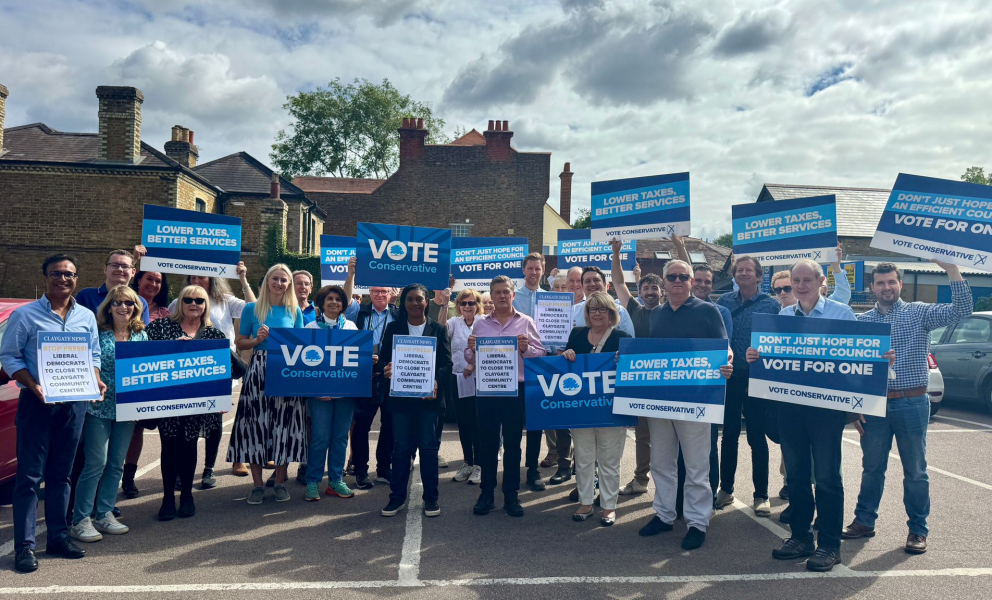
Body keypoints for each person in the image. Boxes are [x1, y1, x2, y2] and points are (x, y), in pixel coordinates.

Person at [844, 260, 972, 555]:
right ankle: (864, 521)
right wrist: (854, 408)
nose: (886, 287)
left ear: (899, 284)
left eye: (891, 282)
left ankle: (918, 530)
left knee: (915, 470)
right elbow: (848, 366)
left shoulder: (920, 313)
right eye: (880, 283)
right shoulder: (862, 323)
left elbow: (961, 310)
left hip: (913, 402)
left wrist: (951, 269)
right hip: (875, 406)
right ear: (872, 287)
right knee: (872, 468)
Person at [746, 260, 862, 572]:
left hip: (826, 411)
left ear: (821, 281)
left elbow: (859, 357)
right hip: (790, 409)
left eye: (806, 279)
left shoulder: (841, 313)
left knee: (826, 477)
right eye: (795, 280)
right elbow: (771, 360)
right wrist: (755, 356)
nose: (800, 285)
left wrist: (879, 360)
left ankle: (829, 546)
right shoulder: (783, 316)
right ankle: (800, 537)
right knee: (796, 476)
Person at [0, 254, 105, 573]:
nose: (63, 279)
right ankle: (24, 547)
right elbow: (9, 357)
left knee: (61, 475)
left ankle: (58, 537)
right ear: (45, 277)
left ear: (76, 278)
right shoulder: (25, 315)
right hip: (37, 404)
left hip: (74, 404)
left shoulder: (86, 316)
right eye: (56, 274)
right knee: (30, 478)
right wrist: (33, 386)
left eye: (69, 275)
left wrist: (96, 378)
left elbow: (94, 353)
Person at [125, 247, 257, 490]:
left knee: (213, 422)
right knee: (179, 430)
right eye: (192, 279)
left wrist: (243, 278)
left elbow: (255, 309)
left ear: (212, 279)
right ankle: (173, 479)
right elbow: (162, 335)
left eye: (202, 277)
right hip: (180, 375)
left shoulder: (225, 301)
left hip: (215, 371)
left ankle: (207, 469)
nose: (194, 300)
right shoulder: (175, 307)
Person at [638, 260, 732, 551]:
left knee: (696, 466)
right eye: (672, 277)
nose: (677, 281)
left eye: (683, 276)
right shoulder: (655, 315)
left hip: (696, 400)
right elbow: (649, 354)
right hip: (661, 401)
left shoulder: (708, 310)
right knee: (661, 462)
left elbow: (723, 347)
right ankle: (665, 514)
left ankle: (697, 522)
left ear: (692, 281)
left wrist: (727, 361)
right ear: (664, 282)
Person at [69, 286, 147, 543]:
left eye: (129, 303)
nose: (123, 307)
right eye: (117, 303)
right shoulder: (98, 334)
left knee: (115, 464)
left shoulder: (141, 336)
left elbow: (151, 367)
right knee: (95, 464)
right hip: (98, 409)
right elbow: (87, 363)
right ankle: (80, 519)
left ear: (136, 307)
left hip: (127, 410)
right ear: (108, 307)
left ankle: (103, 513)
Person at [466, 276, 547, 517]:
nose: (502, 296)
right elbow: (470, 359)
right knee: (488, 444)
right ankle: (487, 494)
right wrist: (470, 350)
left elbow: (540, 355)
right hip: (488, 391)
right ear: (491, 296)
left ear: (513, 295)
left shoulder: (526, 322)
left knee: (512, 444)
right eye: (497, 292)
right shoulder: (480, 324)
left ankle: (511, 494)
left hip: (516, 391)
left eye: (506, 292)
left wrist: (526, 349)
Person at [227, 264, 307, 505]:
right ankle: (257, 485)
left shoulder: (295, 311)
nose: (279, 283)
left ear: (289, 284)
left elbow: (302, 346)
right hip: (259, 369)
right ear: (267, 281)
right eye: (275, 278)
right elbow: (240, 344)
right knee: (255, 426)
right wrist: (257, 340)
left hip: (286, 370)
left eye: (284, 280)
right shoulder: (251, 309)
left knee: (285, 426)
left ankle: (281, 482)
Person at [146, 285, 227, 520]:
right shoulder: (161, 327)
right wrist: (174, 350)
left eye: (199, 301)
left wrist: (220, 396)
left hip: (196, 404)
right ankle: (168, 497)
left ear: (205, 306)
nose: (194, 304)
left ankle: (187, 496)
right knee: (169, 447)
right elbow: (144, 356)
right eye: (188, 299)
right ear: (180, 302)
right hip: (167, 401)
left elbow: (222, 370)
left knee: (189, 446)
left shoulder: (213, 334)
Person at [378, 284, 452, 517]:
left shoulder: (438, 329)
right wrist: (387, 370)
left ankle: (431, 498)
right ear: (403, 302)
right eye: (409, 299)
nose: (414, 304)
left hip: (429, 400)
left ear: (426, 301)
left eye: (419, 299)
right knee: (401, 449)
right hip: (401, 400)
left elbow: (447, 365)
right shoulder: (393, 328)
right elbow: (383, 362)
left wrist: (437, 380)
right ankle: (397, 497)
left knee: (429, 449)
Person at [715, 255, 780, 516]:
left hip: (757, 379)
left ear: (759, 276)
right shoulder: (723, 302)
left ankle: (761, 495)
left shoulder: (771, 305)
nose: (742, 273)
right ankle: (726, 489)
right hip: (730, 378)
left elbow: (779, 342)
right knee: (729, 435)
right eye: (738, 270)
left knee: (756, 438)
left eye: (748, 270)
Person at [561, 292, 630, 526]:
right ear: (587, 314)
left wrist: (626, 361)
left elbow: (631, 374)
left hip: (611, 410)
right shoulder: (577, 334)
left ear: (611, 313)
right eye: (593, 309)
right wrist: (567, 355)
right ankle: (586, 502)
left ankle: (609, 506)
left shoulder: (623, 337)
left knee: (610, 460)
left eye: (602, 309)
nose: (597, 313)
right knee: (583, 457)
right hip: (581, 409)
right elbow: (566, 365)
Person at [610, 241, 661, 496]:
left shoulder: (673, 312)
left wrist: (677, 245)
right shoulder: (636, 310)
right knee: (643, 436)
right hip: (641, 384)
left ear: (662, 291)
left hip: (668, 384)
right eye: (646, 287)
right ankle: (641, 480)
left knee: (668, 438)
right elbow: (618, 283)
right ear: (640, 291)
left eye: (655, 287)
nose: (651, 291)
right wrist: (617, 253)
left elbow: (690, 280)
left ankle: (668, 485)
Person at [303, 285, 359, 502]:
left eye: (338, 299)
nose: (334, 302)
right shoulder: (310, 327)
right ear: (321, 303)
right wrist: (317, 389)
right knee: (319, 437)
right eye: (330, 299)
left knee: (340, 437)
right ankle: (312, 481)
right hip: (320, 396)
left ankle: (335, 480)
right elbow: (304, 364)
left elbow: (355, 360)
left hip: (345, 394)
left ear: (343, 304)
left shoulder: (352, 327)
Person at [348, 276, 400, 489]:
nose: (380, 294)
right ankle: (360, 470)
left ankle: (384, 468)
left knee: (390, 424)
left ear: (391, 293)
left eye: (384, 291)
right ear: (370, 292)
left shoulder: (398, 314)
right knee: (362, 426)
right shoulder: (359, 312)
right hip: (365, 375)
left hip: (391, 374)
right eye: (376, 291)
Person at [510, 253, 552, 492]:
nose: (534, 272)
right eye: (530, 268)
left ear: (543, 271)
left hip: (542, 365)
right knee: (515, 422)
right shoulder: (514, 298)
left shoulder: (553, 299)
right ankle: (513, 469)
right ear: (523, 270)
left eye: (538, 268)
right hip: (515, 368)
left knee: (536, 422)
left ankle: (533, 469)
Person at [445, 288, 483, 485]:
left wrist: (474, 364)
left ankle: (479, 464)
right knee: (463, 422)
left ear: (478, 305)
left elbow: (490, 349)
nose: (468, 306)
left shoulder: (485, 323)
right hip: (458, 378)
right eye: (464, 303)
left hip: (480, 378)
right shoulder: (454, 322)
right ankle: (467, 462)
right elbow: (441, 332)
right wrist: (444, 304)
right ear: (458, 306)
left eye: (472, 303)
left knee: (478, 422)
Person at [76, 249, 150, 324]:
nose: (120, 269)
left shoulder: (140, 302)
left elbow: (143, 331)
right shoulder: (86, 296)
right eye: (114, 265)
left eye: (125, 266)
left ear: (133, 272)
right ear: (105, 269)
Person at [571, 267, 635, 336]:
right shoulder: (573, 311)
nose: (592, 284)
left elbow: (628, 342)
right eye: (587, 281)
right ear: (582, 286)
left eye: (596, 280)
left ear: (604, 284)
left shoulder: (620, 311)